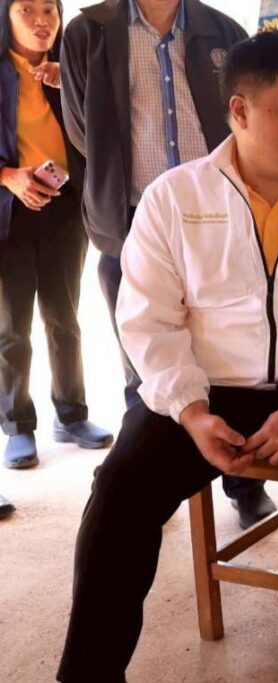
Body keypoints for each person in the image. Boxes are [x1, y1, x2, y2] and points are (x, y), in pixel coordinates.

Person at [57, 32, 278, 683]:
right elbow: (149, 319)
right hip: (206, 391)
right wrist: (190, 412)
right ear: (240, 112)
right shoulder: (174, 198)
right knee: (119, 490)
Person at [60, 0, 273, 528]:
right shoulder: (88, 32)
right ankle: (148, 475)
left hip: (219, 217)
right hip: (130, 220)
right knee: (144, 358)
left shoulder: (223, 30)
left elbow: (249, 122)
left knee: (234, 352)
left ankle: (245, 480)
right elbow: (82, 132)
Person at [0, 0, 111, 470]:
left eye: (50, 9)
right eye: (27, 9)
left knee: (64, 318)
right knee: (12, 328)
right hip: (9, 214)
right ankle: (17, 426)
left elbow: (106, 132)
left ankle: (71, 415)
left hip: (65, 210)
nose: (41, 20)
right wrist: (9, 176)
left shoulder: (73, 70)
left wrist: (73, 84)